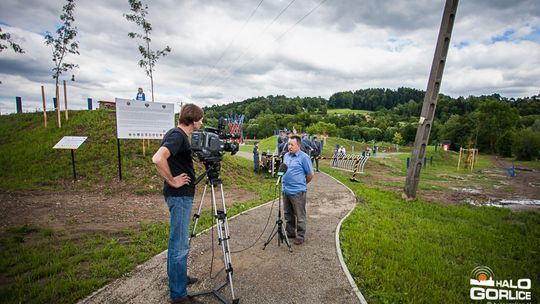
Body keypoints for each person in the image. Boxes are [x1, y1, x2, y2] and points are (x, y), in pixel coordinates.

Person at [152, 104, 204, 304]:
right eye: (200, 119)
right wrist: (172, 180)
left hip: (182, 196)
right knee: (179, 245)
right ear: (193, 120)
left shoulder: (179, 136)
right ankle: (179, 295)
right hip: (179, 196)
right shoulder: (177, 135)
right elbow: (158, 158)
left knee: (179, 242)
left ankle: (179, 279)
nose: (201, 122)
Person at [282, 135, 314, 245]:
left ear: (298, 145)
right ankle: (290, 232)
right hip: (286, 190)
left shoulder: (304, 157)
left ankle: (300, 235)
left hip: (298, 191)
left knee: (300, 214)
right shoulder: (286, 155)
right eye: (288, 144)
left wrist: (301, 184)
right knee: (288, 213)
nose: (289, 147)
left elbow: (310, 174)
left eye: (292, 145)